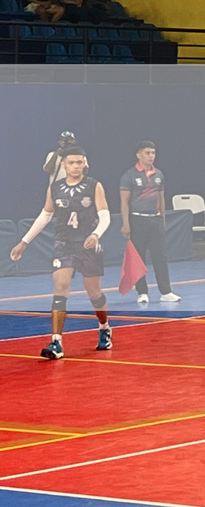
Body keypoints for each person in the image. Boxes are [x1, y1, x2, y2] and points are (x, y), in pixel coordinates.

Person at [9, 147, 113, 360]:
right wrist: (24, 242)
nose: (76, 166)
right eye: (71, 163)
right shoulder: (55, 188)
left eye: (79, 162)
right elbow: (45, 216)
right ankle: (56, 341)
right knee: (60, 287)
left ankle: (104, 327)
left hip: (88, 245)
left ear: (85, 163)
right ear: (63, 165)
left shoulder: (94, 186)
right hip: (64, 244)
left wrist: (95, 234)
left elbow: (105, 216)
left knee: (94, 293)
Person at [119, 141, 179, 304]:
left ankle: (166, 292)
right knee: (138, 257)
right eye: (147, 153)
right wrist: (126, 223)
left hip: (155, 220)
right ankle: (142, 292)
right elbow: (124, 202)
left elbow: (161, 197)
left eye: (153, 153)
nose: (151, 156)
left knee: (160, 256)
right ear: (138, 155)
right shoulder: (129, 176)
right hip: (137, 220)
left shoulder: (159, 174)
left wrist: (162, 218)